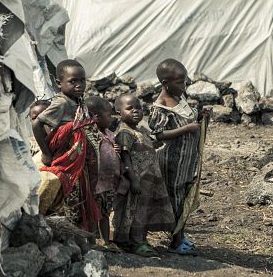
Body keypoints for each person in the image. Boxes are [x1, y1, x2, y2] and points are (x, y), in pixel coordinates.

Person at [32, 60, 101, 231]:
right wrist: (46, 153)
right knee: (70, 197)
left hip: (79, 162)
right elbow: (37, 124)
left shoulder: (78, 102)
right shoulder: (61, 103)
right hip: (67, 162)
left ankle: (80, 236)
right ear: (58, 83)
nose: (79, 85)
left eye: (82, 80)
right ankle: (69, 233)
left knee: (81, 197)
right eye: (73, 81)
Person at [148, 59, 208, 255]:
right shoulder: (161, 106)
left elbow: (190, 121)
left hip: (186, 161)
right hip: (172, 161)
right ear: (166, 83)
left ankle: (180, 235)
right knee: (175, 199)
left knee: (184, 196)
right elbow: (158, 135)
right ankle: (175, 241)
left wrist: (200, 117)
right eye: (179, 82)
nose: (184, 86)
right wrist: (186, 129)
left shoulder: (180, 99)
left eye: (184, 81)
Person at [113, 93, 175, 257]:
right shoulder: (124, 133)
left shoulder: (140, 130)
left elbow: (148, 144)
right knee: (136, 212)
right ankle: (135, 242)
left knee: (145, 211)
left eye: (139, 107)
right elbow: (125, 157)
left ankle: (141, 239)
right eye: (130, 108)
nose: (136, 111)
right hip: (138, 181)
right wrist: (133, 180)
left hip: (149, 181)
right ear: (119, 112)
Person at [84, 95, 125, 253]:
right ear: (96, 117)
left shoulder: (109, 133)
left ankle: (106, 241)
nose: (112, 118)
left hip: (109, 182)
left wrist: (117, 152)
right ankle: (92, 241)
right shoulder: (90, 136)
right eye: (109, 115)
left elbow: (114, 154)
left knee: (105, 213)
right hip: (95, 184)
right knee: (94, 214)